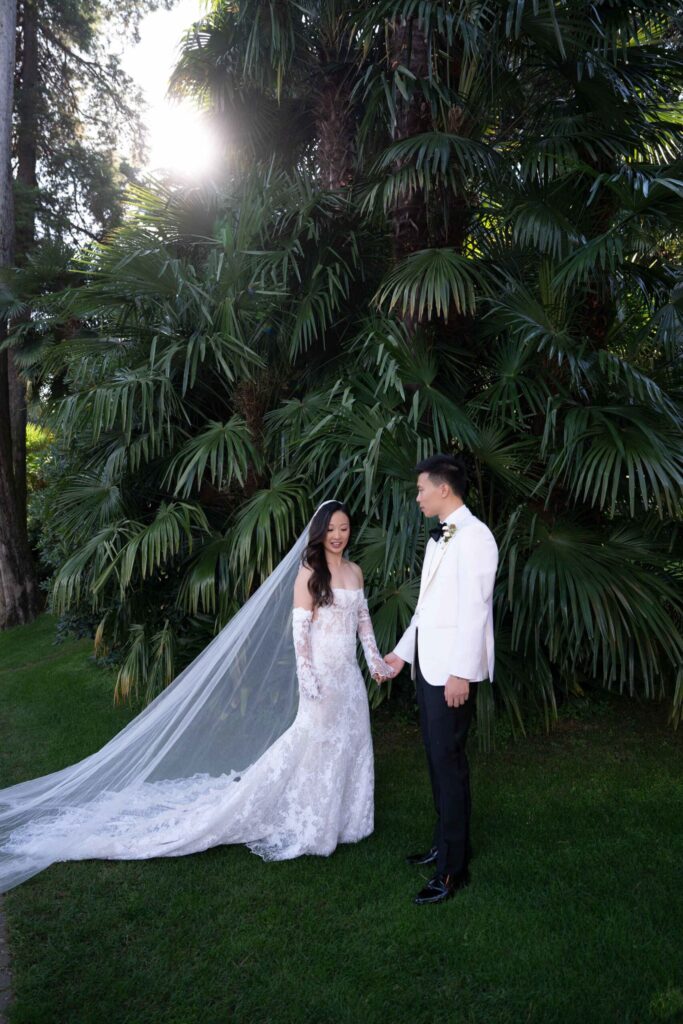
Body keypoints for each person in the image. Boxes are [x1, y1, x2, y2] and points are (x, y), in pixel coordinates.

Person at [0, 499, 394, 892]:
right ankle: (313, 823)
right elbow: (299, 633)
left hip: (349, 681)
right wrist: (307, 679)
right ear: (319, 532)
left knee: (350, 744)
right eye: (332, 529)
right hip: (321, 679)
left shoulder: (355, 571)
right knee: (317, 747)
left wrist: (375, 662)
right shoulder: (310, 572)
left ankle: (349, 820)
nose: (338, 536)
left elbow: (362, 624)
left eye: (344, 528)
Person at [384, 455, 498, 905]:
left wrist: (460, 673)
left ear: (444, 489)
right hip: (425, 667)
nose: (417, 497)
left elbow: (475, 610)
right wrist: (400, 652)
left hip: (451, 672)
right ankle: (445, 843)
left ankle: (454, 871)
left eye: (421, 490)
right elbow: (427, 608)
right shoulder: (438, 540)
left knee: (449, 763)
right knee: (435, 759)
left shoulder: (476, 537)